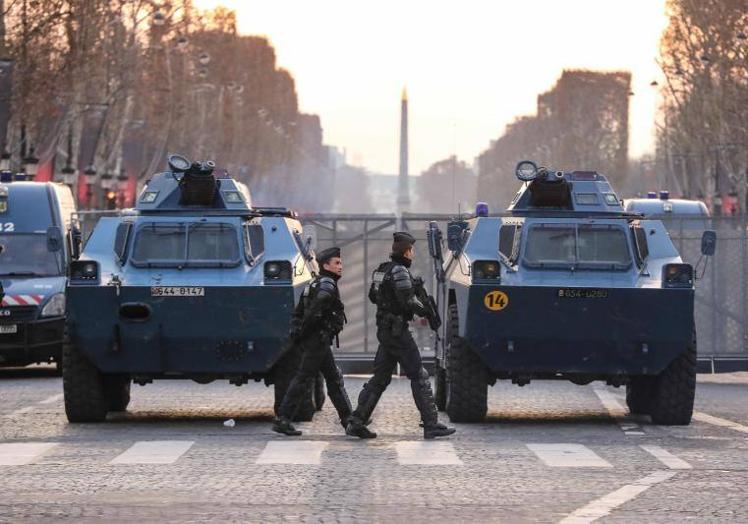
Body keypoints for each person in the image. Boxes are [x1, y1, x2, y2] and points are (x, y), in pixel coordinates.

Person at [346, 232, 455, 440]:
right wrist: (424, 310)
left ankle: (357, 421)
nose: (412, 254)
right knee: (419, 375)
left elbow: (373, 296)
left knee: (380, 378)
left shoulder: (382, 270)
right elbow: (408, 302)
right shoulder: (400, 272)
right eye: (412, 250)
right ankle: (431, 424)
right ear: (406, 251)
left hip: (387, 331)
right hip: (397, 332)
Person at [273, 247, 353, 436]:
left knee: (333, 379)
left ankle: (349, 420)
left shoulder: (314, 284)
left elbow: (298, 313)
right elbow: (312, 314)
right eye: (337, 263)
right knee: (304, 379)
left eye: (340, 262)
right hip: (318, 341)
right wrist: (307, 333)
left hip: (318, 342)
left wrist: (300, 333)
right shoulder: (327, 285)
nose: (341, 266)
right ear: (326, 265)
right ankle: (283, 419)